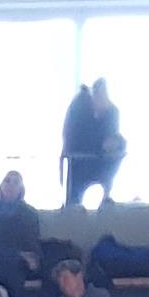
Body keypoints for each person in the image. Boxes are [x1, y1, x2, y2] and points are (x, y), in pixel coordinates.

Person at [60, 74, 124, 208]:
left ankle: (105, 196)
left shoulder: (111, 112)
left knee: (120, 147)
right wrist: (101, 144)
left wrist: (114, 144)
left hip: (99, 162)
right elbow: (73, 139)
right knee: (74, 205)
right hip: (77, 164)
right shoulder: (80, 105)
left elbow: (113, 138)